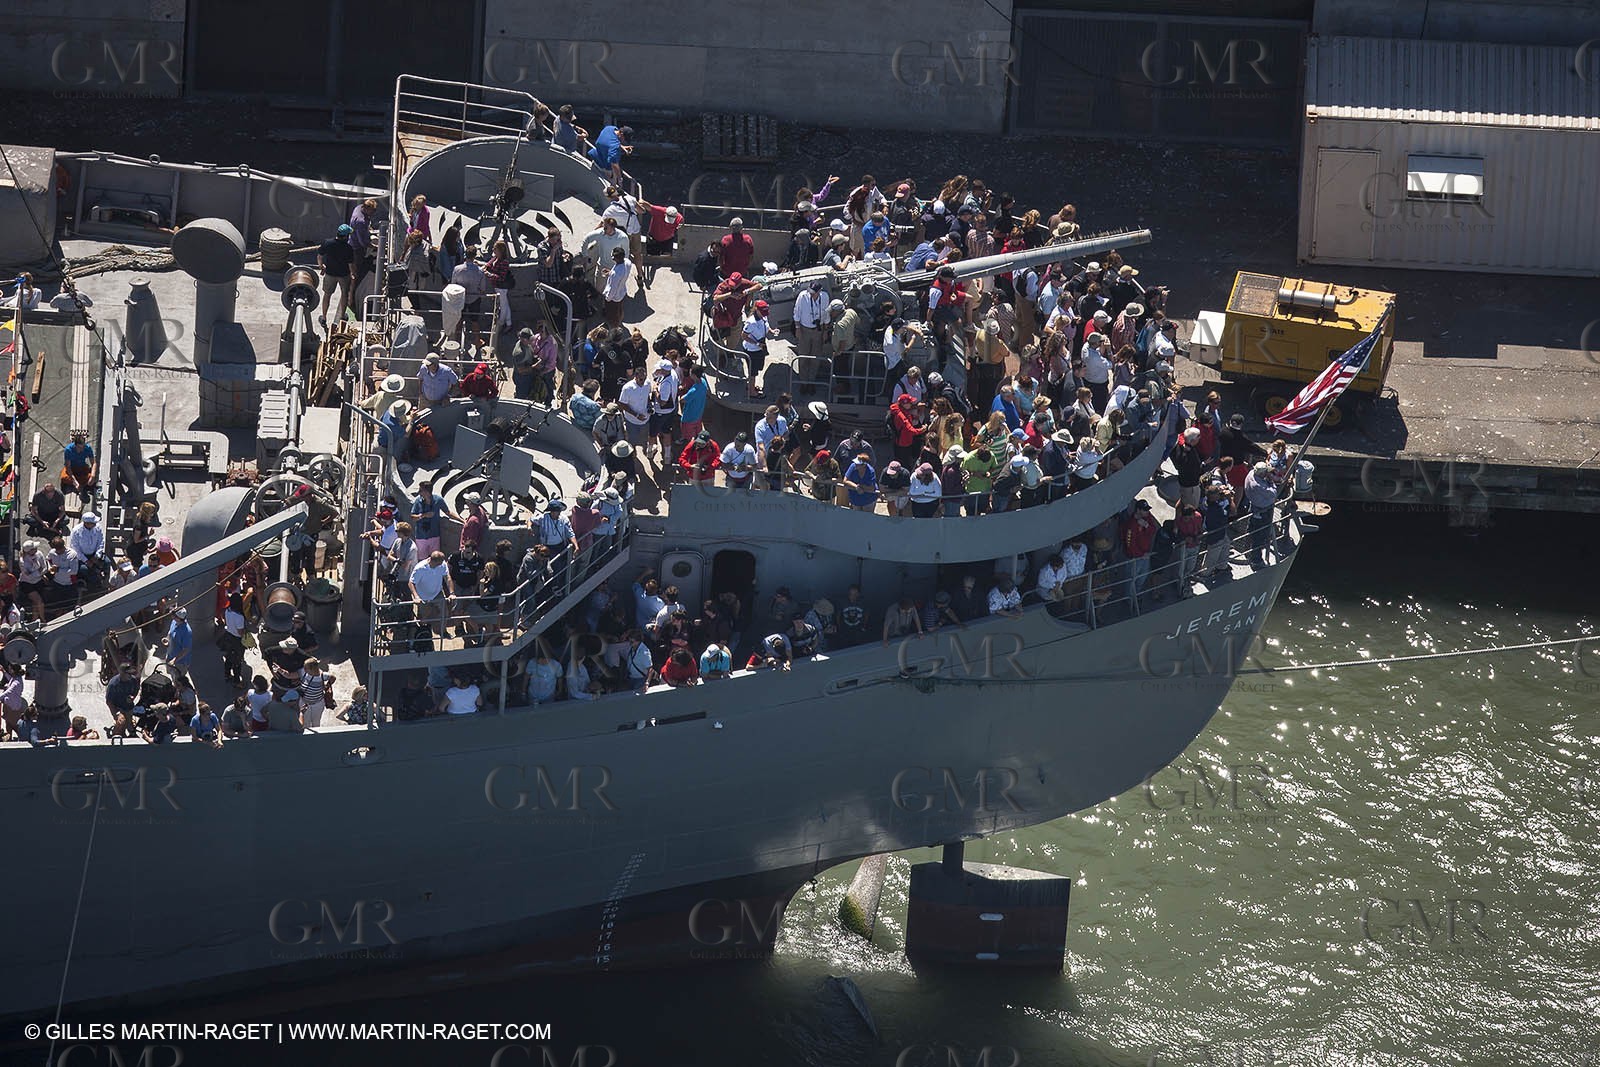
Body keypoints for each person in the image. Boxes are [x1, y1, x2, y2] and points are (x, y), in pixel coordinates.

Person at [317, 222, 356, 326]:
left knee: (327, 295)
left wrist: (321, 266)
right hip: (344, 275)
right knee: (344, 295)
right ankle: (342, 316)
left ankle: (324, 318)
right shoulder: (348, 248)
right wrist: (352, 274)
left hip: (330, 274)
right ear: (346, 236)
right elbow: (350, 264)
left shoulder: (327, 243)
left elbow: (320, 256)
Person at [741, 300, 775, 399]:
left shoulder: (764, 317)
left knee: (758, 367)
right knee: (753, 371)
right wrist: (756, 343)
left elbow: (766, 327)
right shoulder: (751, 322)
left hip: (760, 347)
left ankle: (751, 385)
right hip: (752, 350)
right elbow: (744, 336)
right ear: (757, 310)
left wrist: (772, 331)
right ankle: (751, 391)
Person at [61, 429, 97, 496]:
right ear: (75, 445)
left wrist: (93, 475)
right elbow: (68, 467)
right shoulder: (68, 450)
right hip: (72, 468)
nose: (82, 449)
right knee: (64, 478)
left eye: (83, 447)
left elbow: (93, 463)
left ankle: (82, 484)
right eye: (79, 447)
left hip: (82, 467)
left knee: (91, 478)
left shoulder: (87, 448)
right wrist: (75, 481)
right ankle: (81, 484)